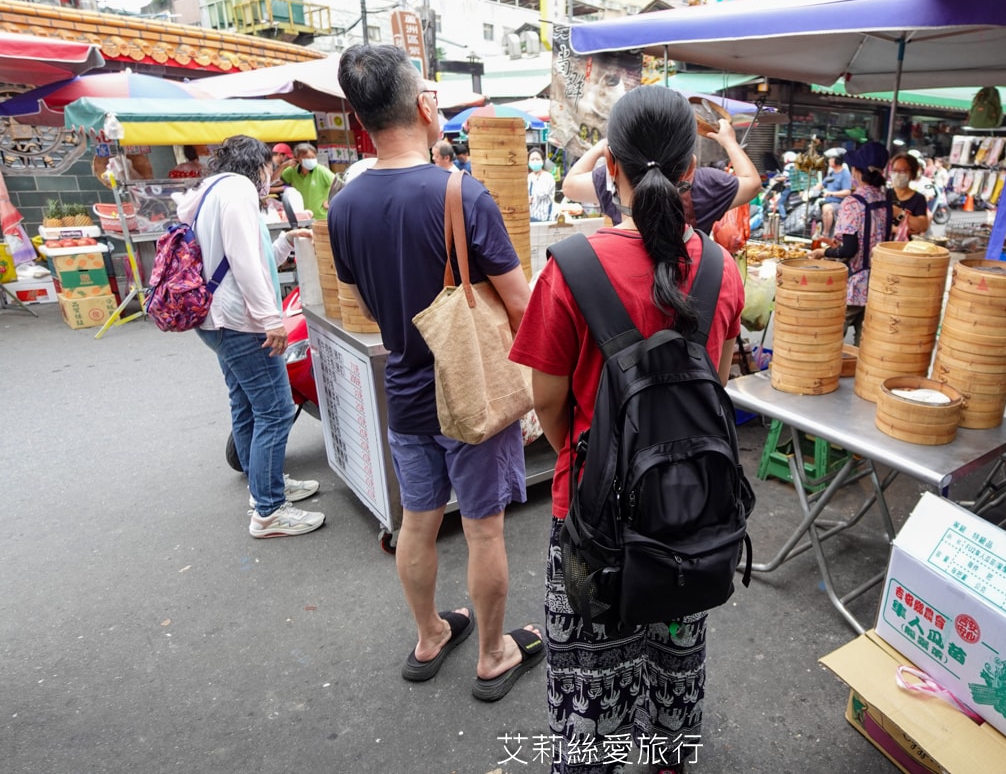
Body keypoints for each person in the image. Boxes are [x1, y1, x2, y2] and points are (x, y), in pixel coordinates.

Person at [509, 85, 744, 774]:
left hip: (592, 519)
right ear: (690, 166)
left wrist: (588, 460)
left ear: (610, 165)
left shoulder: (571, 269)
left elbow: (549, 403)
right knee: (674, 652)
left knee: (591, 672)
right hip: (688, 514)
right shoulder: (722, 271)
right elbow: (716, 387)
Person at [330, 44, 542, 702]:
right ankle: (493, 651)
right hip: (472, 392)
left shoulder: (343, 204)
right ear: (424, 106)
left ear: (359, 117)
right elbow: (522, 303)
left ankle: (429, 636)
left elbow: (362, 304)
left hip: (407, 391)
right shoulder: (459, 192)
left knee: (417, 520)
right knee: (482, 527)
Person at [179, 135, 324, 538]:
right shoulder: (239, 190)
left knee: (244, 405)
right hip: (240, 322)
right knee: (275, 410)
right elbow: (243, 263)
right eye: (270, 169)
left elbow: (240, 257)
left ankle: (266, 486)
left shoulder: (211, 191)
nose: (271, 178)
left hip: (215, 320)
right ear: (257, 166)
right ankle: (269, 511)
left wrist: (282, 243)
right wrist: (270, 320)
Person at [561, 117, 760, 234]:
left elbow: (570, 186)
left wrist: (599, 147)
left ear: (612, 164)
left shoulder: (613, 179)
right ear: (690, 165)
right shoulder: (707, 183)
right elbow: (752, 184)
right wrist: (729, 142)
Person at [812, 141, 891, 345]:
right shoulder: (885, 201)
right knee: (865, 345)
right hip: (879, 283)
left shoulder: (852, 203)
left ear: (856, 171)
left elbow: (849, 249)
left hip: (855, 285)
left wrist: (824, 252)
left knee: (830, 340)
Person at [280, 143, 335, 220]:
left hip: (321, 218)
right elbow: (274, 181)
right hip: (303, 219)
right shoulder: (292, 171)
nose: (311, 160)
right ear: (297, 158)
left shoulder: (321, 171)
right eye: (307, 158)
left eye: (313, 157)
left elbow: (340, 186)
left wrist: (330, 200)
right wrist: (283, 165)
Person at [887, 153, 931, 235]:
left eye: (902, 171)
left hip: (907, 246)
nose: (897, 174)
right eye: (895, 170)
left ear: (912, 173)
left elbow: (922, 226)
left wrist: (900, 213)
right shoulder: (885, 195)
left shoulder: (918, 199)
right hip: (883, 246)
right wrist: (898, 229)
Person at [818, 147, 853, 236]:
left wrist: (832, 193)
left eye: (831, 158)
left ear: (837, 160)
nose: (829, 160)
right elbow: (822, 184)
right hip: (826, 200)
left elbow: (847, 191)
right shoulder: (831, 173)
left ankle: (825, 233)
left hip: (838, 203)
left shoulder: (845, 174)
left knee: (827, 209)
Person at [527, 149, 557, 222]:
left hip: (545, 218)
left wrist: (535, 177)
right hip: (531, 216)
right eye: (532, 159)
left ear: (542, 161)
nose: (535, 161)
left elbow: (541, 194)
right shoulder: (529, 177)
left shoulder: (548, 177)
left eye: (537, 159)